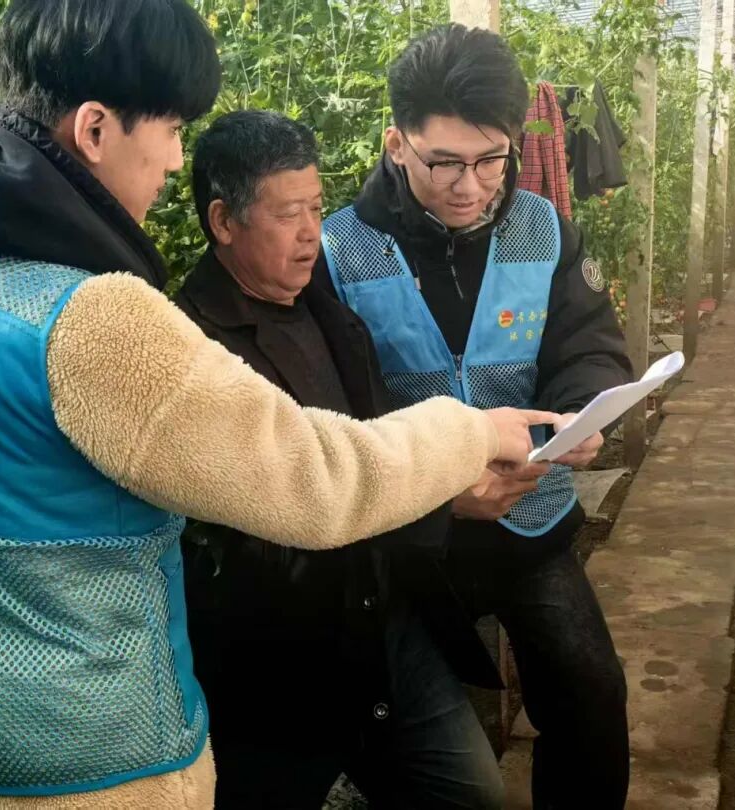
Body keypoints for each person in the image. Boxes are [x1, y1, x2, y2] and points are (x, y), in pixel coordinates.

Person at [0, 4, 549, 808]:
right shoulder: (91, 320)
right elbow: (315, 480)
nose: (173, 162)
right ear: (96, 129)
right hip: (88, 770)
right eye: (169, 130)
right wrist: (469, 431)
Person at [320, 24, 635, 810]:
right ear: (397, 144)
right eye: (446, 163)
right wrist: (433, 486)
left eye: (491, 160)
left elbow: (588, 343)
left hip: (529, 517)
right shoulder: (340, 250)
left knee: (591, 694)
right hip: (407, 538)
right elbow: (330, 404)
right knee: (407, 741)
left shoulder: (543, 230)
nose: (471, 186)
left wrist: (582, 411)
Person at [178, 110, 526, 809]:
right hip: (280, 660)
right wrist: (445, 498)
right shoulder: (194, 351)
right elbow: (277, 511)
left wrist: (447, 484)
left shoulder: (330, 313)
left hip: (384, 624)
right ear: (223, 221)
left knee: (474, 795)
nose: (312, 232)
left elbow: (378, 443)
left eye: (315, 207)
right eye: (287, 215)